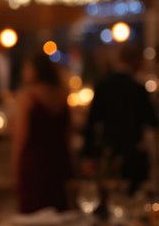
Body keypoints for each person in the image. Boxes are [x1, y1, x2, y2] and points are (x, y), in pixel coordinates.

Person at [82, 43, 157, 193]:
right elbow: (152, 121)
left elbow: (91, 123)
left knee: (111, 195)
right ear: (136, 62)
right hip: (134, 154)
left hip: (109, 153)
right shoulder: (138, 89)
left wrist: (88, 155)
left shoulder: (103, 86)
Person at [12, 53, 73, 213]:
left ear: (35, 70)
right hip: (60, 161)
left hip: (35, 164)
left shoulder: (28, 97)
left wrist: (16, 167)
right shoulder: (62, 94)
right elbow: (68, 132)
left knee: (32, 216)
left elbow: (21, 137)